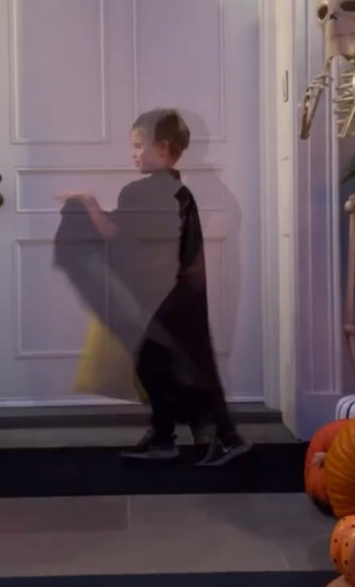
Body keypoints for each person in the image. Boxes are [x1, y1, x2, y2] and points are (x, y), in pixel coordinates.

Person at [54, 109, 251, 466]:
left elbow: (115, 235)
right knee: (178, 363)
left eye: (138, 145)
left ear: (161, 147)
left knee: (165, 365)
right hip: (183, 292)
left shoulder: (141, 192)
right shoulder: (181, 191)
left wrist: (86, 205)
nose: (132, 153)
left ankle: (212, 436)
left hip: (159, 296)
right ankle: (179, 435)